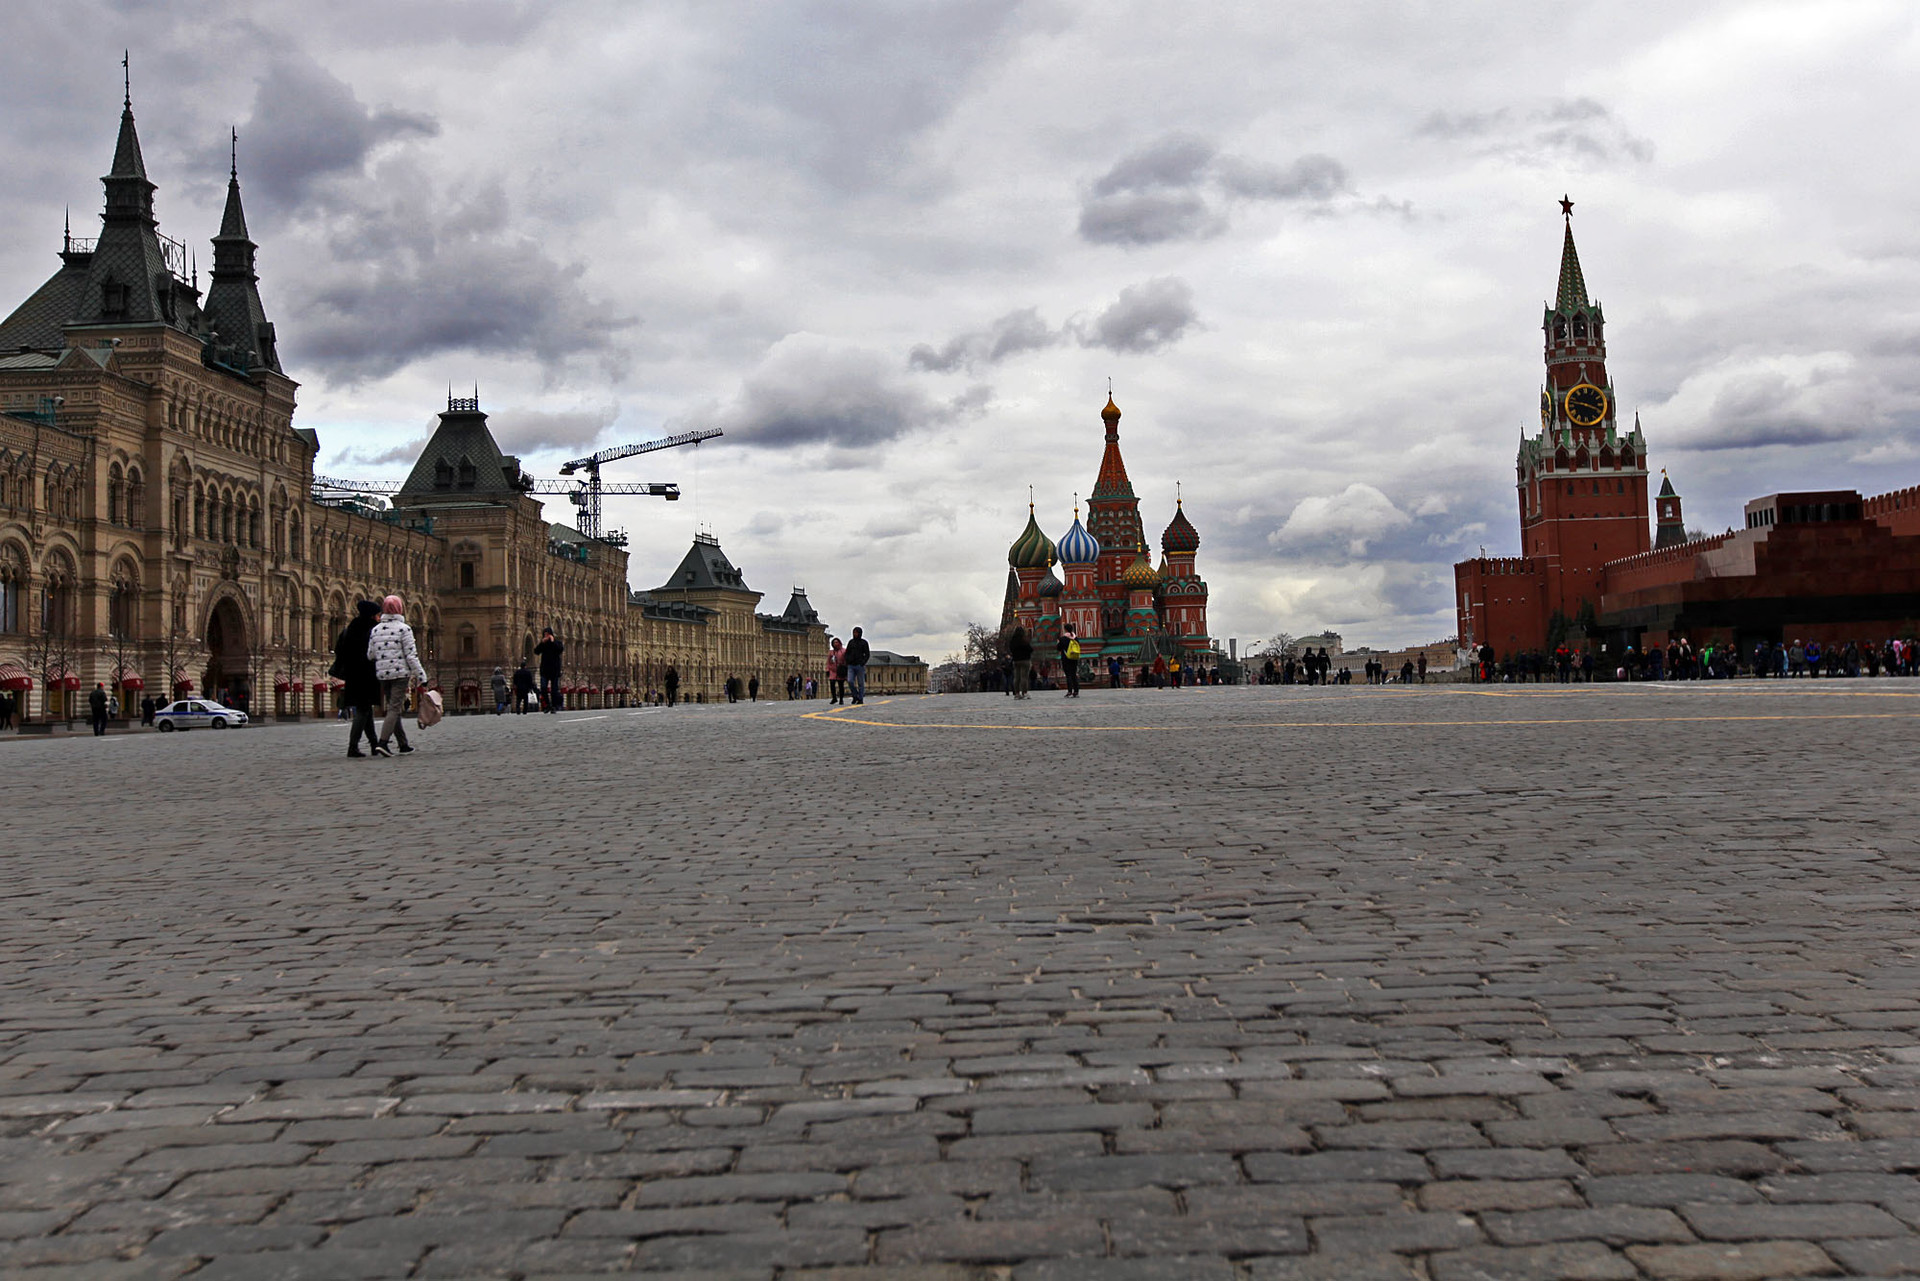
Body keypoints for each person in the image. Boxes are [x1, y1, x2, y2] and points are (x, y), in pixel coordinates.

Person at [366, 594, 428, 757]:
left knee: (395, 708)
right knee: (394, 708)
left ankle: (403, 744)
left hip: (383, 675)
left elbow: (370, 655)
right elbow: (411, 655)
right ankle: (383, 742)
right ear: (399, 609)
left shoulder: (376, 629)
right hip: (400, 674)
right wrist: (422, 677)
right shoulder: (404, 629)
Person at [333, 599, 382, 757]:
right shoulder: (372, 629)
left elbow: (338, 649)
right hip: (367, 674)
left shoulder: (350, 628)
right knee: (363, 710)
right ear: (372, 616)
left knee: (365, 709)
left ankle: (374, 744)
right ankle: (352, 746)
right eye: (377, 615)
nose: (379, 618)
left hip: (353, 675)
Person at [533, 628, 564, 712]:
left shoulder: (557, 643)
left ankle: (554, 706)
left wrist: (553, 641)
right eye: (545, 634)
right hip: (545, 670)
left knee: (554, 690)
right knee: (543, 688)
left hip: (554, 670)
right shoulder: (544, 644)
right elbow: (536, 651)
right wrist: (542, 643)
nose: (546, 636)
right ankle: (547, 705)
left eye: (547, 634)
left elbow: (560, 649)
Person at [844, 627, 871, 704]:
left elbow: (867, 654)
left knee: (860, 683)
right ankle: (855, 695)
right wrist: (848, 660)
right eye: (854, 632)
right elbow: (847, 652)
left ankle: (860, 698)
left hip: (860, 665)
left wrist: (863, 662)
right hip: (851, 665)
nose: (855, 634)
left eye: (856, 632)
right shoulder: (851, 642)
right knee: (850, 681)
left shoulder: (864, 643)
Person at [1005, 624, 1032, 699]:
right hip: (1025, 660)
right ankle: (1024, 692)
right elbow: (1030, 649)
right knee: (1024, 677)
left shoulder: (1012, 641)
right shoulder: (1024, 640)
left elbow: (1011, 649)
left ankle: (1017, 693)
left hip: (1016, 660)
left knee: (1016, 677)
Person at [1057, 624, 1082, 698]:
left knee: (1068, 675)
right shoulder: (1075, 638)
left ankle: (1070, 691)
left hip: (1066, 658)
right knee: (1074, 674)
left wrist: (1058, 643)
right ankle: (1076, 691)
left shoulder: (1063, 638)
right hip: (1074, 657)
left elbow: (1058, 648)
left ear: (1065, 629)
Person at [827, 638, 847, 704]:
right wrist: (828, 669)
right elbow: (828, 661)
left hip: (840, 670)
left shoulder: (843, 651)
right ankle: (834, 698)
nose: (835, 644)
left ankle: (841, 699)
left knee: (841, 685)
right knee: (832, 684)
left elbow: (846, 660)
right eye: (834, 642)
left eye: (837, 642)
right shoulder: (831, 652)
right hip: (833, 670)